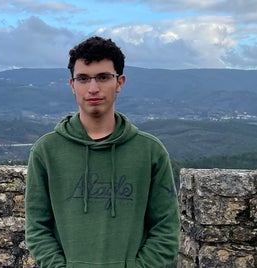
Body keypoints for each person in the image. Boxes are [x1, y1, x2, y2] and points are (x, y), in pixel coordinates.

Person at [25, 36, 180, 267]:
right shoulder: (46, 151)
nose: (93, 88)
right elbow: (37, 228)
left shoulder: (150, 151)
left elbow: (166, 230)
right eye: (83, 79)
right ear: (72, 85)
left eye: (103, 77)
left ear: (120, 82)